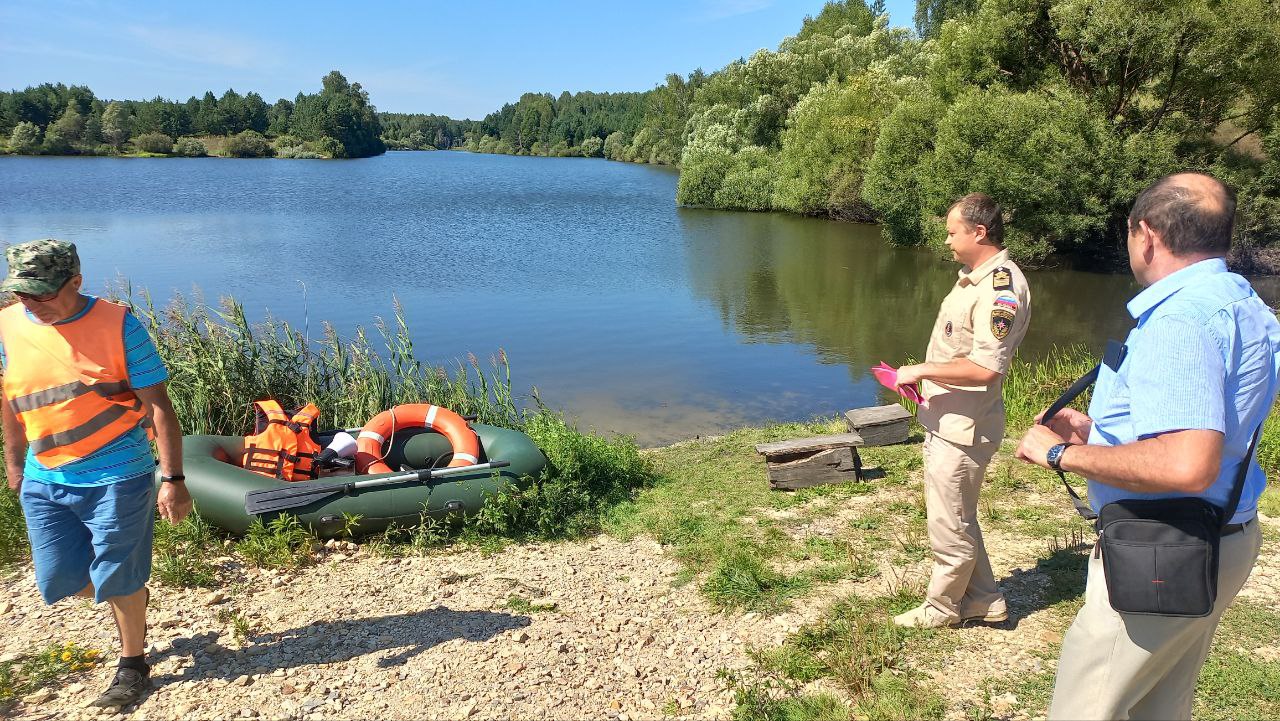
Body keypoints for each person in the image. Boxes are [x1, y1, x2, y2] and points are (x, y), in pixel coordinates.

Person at [1015, 173, 1279, 719]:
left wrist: (1060, 454)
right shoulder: (1238, 299)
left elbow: (1188, 464)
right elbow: (1211, 430)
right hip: (1218, 537)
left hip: (1162, 550)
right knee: (1158, 706)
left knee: (1083, 709)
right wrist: (1096, 433)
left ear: (1146, 234)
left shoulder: (1179, 321)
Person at [0, 239, 192, 709]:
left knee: (118, 577)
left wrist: (173, 480)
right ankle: (131, 596)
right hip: (46, 476)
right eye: (23, 293)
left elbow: (160, 410)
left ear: (76, 283)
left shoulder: (119, 325)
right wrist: (14, 461)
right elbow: (9, 398)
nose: (32, 303)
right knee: (59, 575)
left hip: (117, 474)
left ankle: (133, 664)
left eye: (42, 293)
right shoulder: (6, 326)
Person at [892, 193, 1032, 628]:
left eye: (953, 232)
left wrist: (921, 369)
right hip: (948, 418)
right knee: (958, 517)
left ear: (979, 232)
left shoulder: (1000, 290)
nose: (948, 240)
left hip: (964, 427)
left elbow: (987, 368)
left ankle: (942, 608)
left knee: (948, 525)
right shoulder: (975, 277)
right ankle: (984, 600)